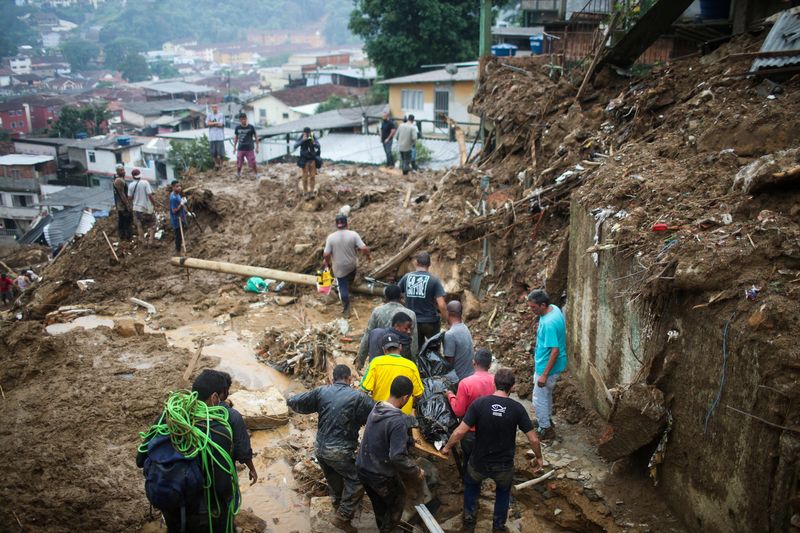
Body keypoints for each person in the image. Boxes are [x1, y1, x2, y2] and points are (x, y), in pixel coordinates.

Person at [136, 370, 248, 533]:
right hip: (203, 515)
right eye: (222, 398)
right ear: (214, 398)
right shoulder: (218, 431)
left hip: (171, 505)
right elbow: (222, 487)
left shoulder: (167, 417)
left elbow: (140, 460)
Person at [442, 368, 544, 532]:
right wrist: (539, 457)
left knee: (471, 487)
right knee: (503, 493)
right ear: (512, 387)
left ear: (494, 383)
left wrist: (447, 447)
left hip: (479, 462)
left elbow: (460, 431)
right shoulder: (517, 408)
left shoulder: (479, 404)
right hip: (504, 466)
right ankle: (498, 527)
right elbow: (533, 438)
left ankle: (469, 524)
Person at [287, 364, 374, 531]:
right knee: (357, 478)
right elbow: (378, 414)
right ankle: (343, 516)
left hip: (320, 449)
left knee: (334, 476)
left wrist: (289, 399)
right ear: (350, 379)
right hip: (339, 451)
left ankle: (337, 503)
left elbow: (298, 402)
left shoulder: (321, 391)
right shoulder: (358, 397)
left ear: (332, 379)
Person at [356, 375, 425, 533]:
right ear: (406, 397)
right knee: (397, 502)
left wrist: (408, 441)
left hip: (362, 469)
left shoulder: (378, 407)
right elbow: (397, 456)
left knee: (379, 504)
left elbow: (382, 434)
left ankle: (382, 526)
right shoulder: (397, 421)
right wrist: (415, 471)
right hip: (379, 474)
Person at [201, 369, 258, 486]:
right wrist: (252, 469)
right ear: (217, 395)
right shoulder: (232, 416)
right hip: (221, 478)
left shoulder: (181, 413)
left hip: (194, 479)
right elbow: (242, 449)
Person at [527, 289, 568, 439]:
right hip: (553, 365)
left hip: (547, 367)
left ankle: (545, 428)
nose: (531, 310)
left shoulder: (549, 323)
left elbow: (555, 350)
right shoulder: (554, 310)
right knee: (546, 395)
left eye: (534, 307)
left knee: (539, 398)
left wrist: (544, 374)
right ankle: (547, 420)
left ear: (543, 305)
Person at [446, 348, 496, 467]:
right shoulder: (497, 381)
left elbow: (458, 411)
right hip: (492, 430)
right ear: (489, 365)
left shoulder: (466, 383)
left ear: (473, 362)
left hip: (471, 433)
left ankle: (469, 480)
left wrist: (450, 396)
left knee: (470, 462)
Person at [356, 284, 418, 370]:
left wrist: (360, 361)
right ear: (400, 297)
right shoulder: (410, 314)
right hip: (401, 359)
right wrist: (414, 365)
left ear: (386, 297)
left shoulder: (377, 312)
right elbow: (414, 342)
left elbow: (368, 336)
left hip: (381, 356)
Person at [360, 332, 424, 415]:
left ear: (384, 349)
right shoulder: (411, 366)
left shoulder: (375, 363)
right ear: (400, 347)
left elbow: (363, 391)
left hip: (380, 415)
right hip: (402, 418)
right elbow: (419, 395)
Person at [397, 251, 447, 349]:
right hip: (430, 322)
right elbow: (441, 305)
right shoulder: (434, 280)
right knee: (433, 351)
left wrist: (405, 305)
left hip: (412, 322)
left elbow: (396, 294)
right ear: (429, 264)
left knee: (416, 350)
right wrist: (447, 319)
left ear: (416, 263)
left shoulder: (407, 277)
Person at [323, 214, 370, 317]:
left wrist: (327, 263)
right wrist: (368, 256)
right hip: (351, 265)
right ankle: (350, 285)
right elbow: (364, 248)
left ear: (336, 225)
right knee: (350, 276)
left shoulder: (331, 237)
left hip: (339, 268)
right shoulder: (353, 234)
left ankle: (346, 310)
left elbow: (326, 254)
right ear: (347, 224)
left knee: (342, 287)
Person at [443, 300, 474, 382]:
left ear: (448, 313)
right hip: (470, 375)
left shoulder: (450, 334)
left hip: (459, 379)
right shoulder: (464, 327)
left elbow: (449, 364)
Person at [127, 168, 157, 246]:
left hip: (136, 208)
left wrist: (132, 205)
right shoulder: (145, 183)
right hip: (146, 208)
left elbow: (129, 198)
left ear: (133, 176)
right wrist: (154, 204)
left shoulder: (130, 185)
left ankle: (143, 242)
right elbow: (150, 195)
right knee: (153, 223)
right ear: (140, 175)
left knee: (139, 225)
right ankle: (150, 240)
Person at [293, 126, 321, 199]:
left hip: (312, 159)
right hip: (305, 160)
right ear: (304, 133)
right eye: (306, 133)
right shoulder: (302, 137)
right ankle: (305, 192)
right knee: (305, 176)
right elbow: (295, 145)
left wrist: (313, 142)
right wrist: (303, 140)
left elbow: (318, 145)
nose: (308, 134)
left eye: (308, 133)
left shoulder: (312, 136)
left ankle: (311, 191)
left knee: (312, 176)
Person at [112, 164, 133, 240]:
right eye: (121, 170)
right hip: (122, 205)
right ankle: (126, 237)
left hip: (122, 205)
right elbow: (122, 194)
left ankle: (125, 236)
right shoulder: (119, 180)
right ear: (117, 172)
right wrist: (127, 205)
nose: (123, 171)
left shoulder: (121, 179)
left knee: (124, 221)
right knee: (125, 221)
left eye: (123, 170)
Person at [234, 113, 258, 178]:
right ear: (240, 120)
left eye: (244, 119)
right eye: (241, 119)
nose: (243, 121)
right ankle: (238, 173)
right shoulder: (237, 128)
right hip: (240, 148)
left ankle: (256, 174)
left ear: (246, 119)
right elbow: (236, 137)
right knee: (239, 162)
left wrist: (257, 147)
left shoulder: (251, 127)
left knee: (253, 162)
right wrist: (234, 147)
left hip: (249, 148)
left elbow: (256, 137)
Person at [169, 180, 188, 253]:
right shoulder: (173, 198)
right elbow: (174, 210)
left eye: (180, 186)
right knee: (178, 235)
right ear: (173, 187)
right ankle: (178, 250)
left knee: (181, 232)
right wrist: (181, 204)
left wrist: (187, 212)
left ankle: (180, 245)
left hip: (181, 216)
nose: (179, 188)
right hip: (177, 219)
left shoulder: (177, 194)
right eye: (177, 186)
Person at [206, 104, 226, 169]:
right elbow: (207, 123)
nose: (214, 108)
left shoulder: (221, 115)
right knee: (213, 152)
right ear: (211, 108)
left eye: (215, 107)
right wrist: (215, 123)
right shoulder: (209, 115)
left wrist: (212, 123)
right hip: (212, 137)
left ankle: (221, 164)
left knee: (221, 152)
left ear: (217, 107)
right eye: (213, 107)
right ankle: (216, 164)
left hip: (219, 136)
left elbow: (221, 124)